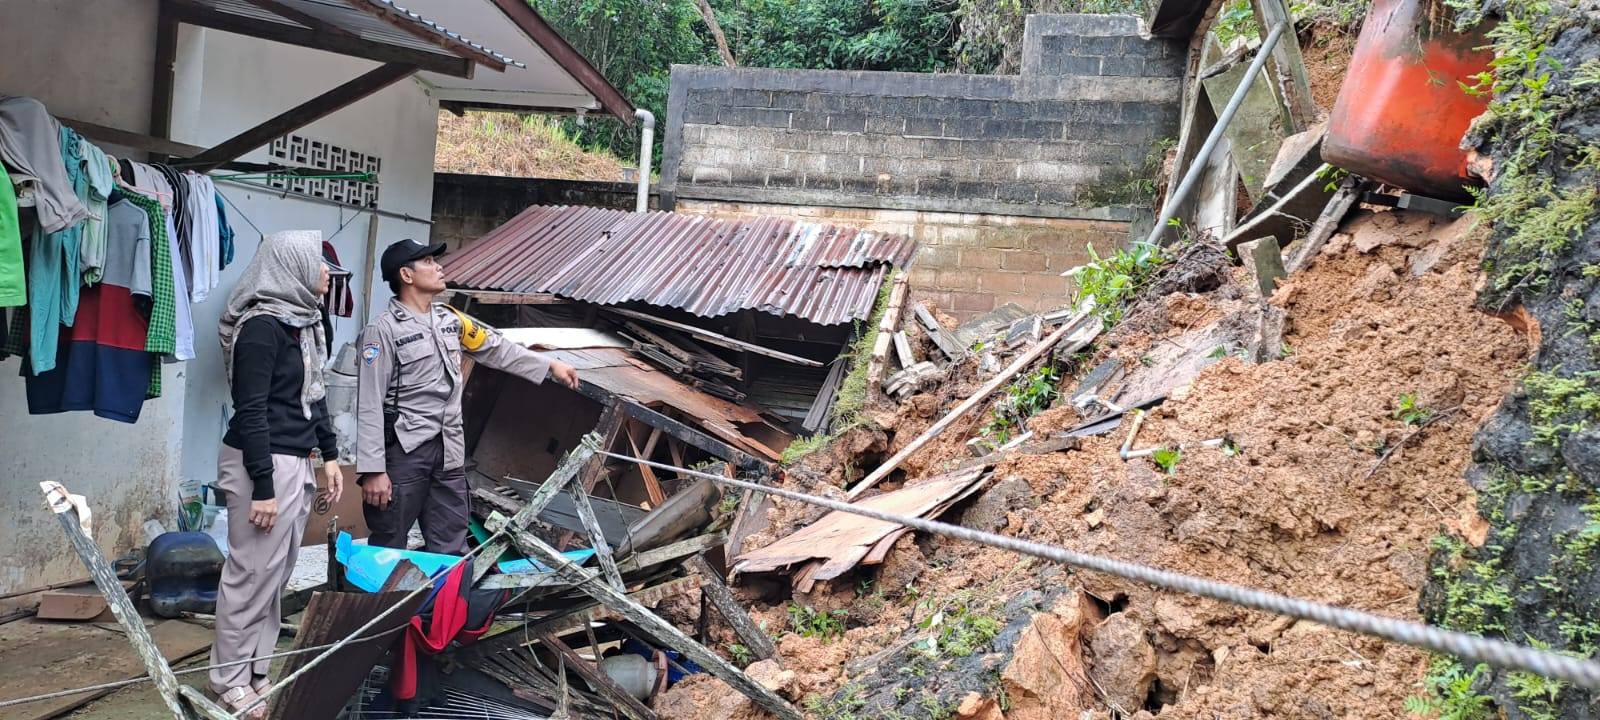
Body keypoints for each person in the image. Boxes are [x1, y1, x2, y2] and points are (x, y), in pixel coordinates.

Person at [356, 239, 579, 554]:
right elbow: (368, 404)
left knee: (452, 543)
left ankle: (446, 604)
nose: (439, 267)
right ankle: (383, 604)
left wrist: (549, 365)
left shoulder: (450, 320)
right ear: (406, 276)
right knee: (390, 546)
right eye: (429, 262)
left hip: (449, 451)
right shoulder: (382, 331)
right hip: (405, 453)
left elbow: (497, 348)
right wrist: (373, 470)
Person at [210, 230, 343, 718]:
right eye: (321, 263)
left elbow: (316, 394)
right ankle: (227, 680)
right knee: (249, 574)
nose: (328, 272)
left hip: (293, 459)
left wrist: (329, 454)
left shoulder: (304, 323)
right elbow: (251, 412)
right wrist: (263, 488)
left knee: (277, 574)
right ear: (292, 266)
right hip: (257, 463)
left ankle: (255, 671)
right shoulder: (260, 328)